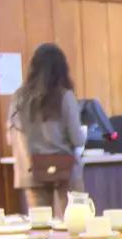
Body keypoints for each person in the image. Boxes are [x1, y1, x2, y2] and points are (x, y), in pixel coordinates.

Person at [9, 43, 85, 216]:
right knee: (75, 221)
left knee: (41, 224)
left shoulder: (19, 99)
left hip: (32, 170)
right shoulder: (65, 97)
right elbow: (77, 139)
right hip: (66, 169)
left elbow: (11, 136)